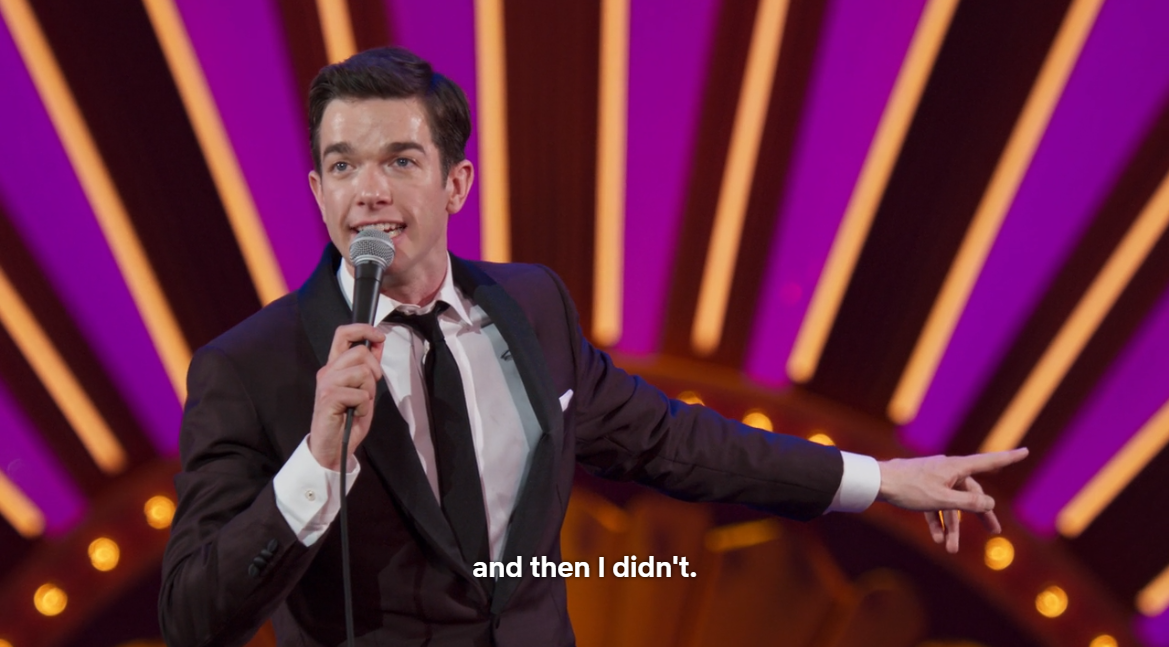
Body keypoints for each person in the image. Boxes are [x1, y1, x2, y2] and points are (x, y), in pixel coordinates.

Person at [158, 47, 1027, 647]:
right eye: (343, 166)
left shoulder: (530, 308)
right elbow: (194, 616)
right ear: (317, 190)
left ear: (456, 182)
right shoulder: (252, 368)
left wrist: (878, 480)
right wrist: (315, 464)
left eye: (400, 161)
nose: (368, 192)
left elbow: (678, 442)